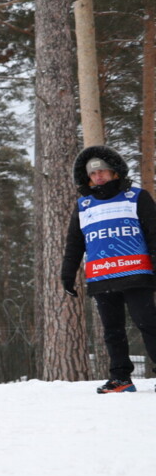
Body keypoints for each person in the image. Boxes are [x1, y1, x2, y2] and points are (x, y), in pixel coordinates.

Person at [61, 144, 156, 393]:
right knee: (112, 331)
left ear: (115, 172)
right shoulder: (83, 206)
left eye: (103, 170)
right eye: (93, 173)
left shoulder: (136, 197)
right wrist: (67, 274)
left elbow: (154, 233)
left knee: (148, 323)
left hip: (136, 273)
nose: (98, 176)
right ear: (87, 177)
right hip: (102, 277)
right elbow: (75, 243)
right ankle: (120, 378)